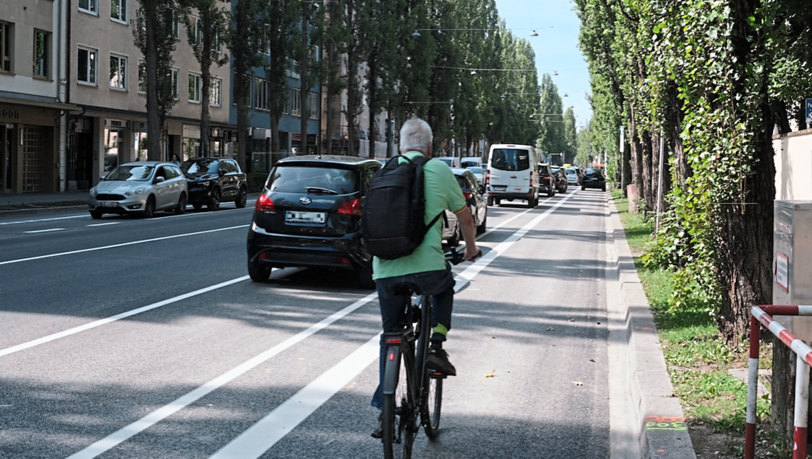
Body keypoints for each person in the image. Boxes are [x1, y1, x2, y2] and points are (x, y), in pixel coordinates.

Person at [370, 118, 479, 437]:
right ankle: (436, 343)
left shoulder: (383, 170)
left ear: (400, 146)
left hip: (384, 269)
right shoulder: (440, 171)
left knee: (391, 333)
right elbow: (465, 217)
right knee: (445, 288)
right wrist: (471, 249)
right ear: (430, 147)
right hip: (428, 269)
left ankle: (384, 409)